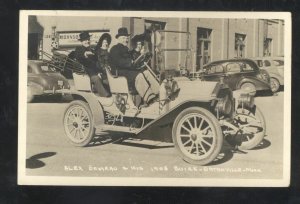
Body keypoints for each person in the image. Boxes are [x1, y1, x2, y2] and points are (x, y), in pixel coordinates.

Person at [109, 27, 159, 106]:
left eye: (127, 38)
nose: (126, 40)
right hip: (118, 73)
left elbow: (132, 60)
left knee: (146, 72)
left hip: (127, 72)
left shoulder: (126, 49)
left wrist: (139, 59)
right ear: (118, 39)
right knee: (139, 75)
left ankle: (159, 93)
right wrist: (130, 62)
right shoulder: (114, 49)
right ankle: (150, 99)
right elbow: (118, 61)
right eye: (123, 38)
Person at [74, 31, 110, 97]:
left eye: (88, 39)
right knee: (96, 79)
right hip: (85, 73)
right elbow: (79, 55)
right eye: (85, 40)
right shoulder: (79, 49)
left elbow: (97, 63)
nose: (87, 41)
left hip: (95, 72)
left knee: (107, 80)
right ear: (81, 41)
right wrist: (85, 54)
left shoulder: (92, 50)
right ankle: (105, 96)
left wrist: (99, 72)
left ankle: (112, 95)